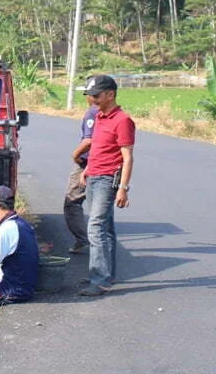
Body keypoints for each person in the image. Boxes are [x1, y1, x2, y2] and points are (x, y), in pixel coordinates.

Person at [78, 74, 135, 297]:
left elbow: (127, 157)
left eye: (96, 95)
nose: (92, 99)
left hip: (107, 180)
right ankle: (106, 275)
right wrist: (87, 169)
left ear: (110, 94)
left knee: (96, 227)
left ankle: (99, 279)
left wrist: (123, 187)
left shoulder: (123, 120)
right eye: (91, 95)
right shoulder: (100, 117)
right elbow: (98, 148)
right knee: (106, 229)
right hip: (93, 176)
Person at [65, 101, 98, 254]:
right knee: (100, 207)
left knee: (72, 202)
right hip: (103, 164)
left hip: (87, 163)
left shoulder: (93, 112)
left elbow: (89, 141)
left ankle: (83, 239)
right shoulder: (114, 115)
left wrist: (75, 154)